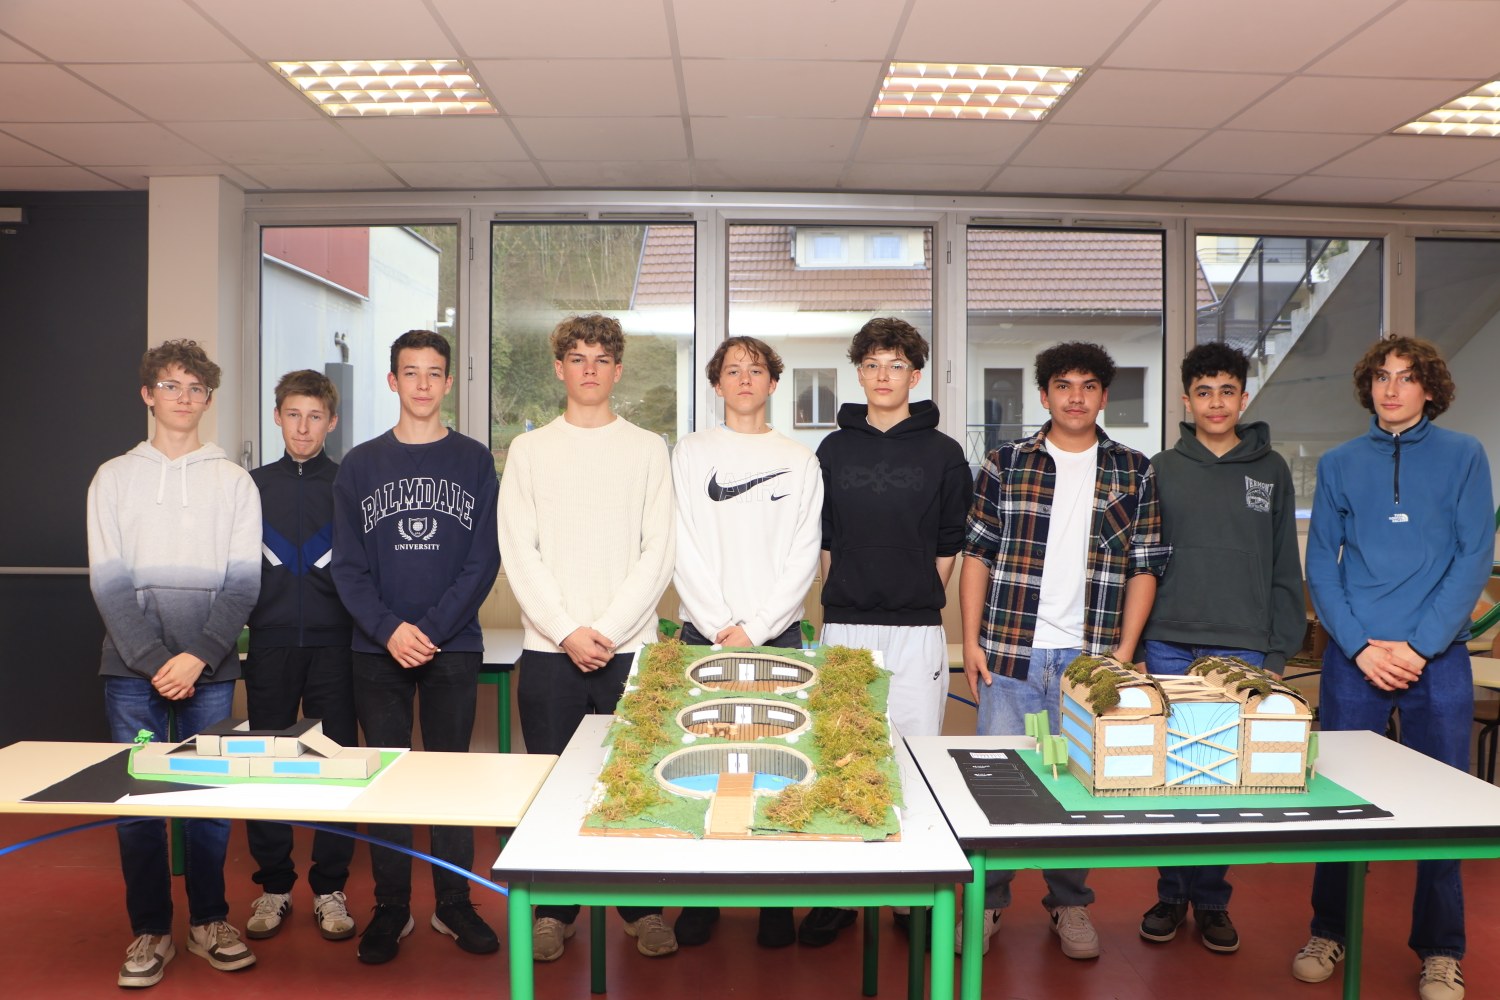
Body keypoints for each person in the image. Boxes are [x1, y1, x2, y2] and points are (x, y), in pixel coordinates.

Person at [1292, 336, 1491, 1000]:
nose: (1392, 388)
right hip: (1357, 659)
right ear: (1368, 387)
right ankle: (1329, 929)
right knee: (1338, 804)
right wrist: (1360, 647)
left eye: (1407, 377)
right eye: (1382, 376)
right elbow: (1323, 564)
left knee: (1443, 808)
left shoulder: (1464, 455)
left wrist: (1420, 646)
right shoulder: (1340, 463)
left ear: (1429, 388)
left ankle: (1441, 950)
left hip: (1438, 659)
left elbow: (1473, 556)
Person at [959, 340, 1169, 961]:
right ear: (1044, 394)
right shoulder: (1005, 463)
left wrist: (1123, 652)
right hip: (1010, 651)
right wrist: (970, 641)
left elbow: (1145, 564)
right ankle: (988, 902)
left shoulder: (1134, 469)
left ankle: (1070, 904)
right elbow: (977, 553)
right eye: (1063, 385)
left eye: (1088, 386)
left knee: (1079, 787)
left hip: (1090, 659)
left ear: (1104, 397)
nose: (1075, 397)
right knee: (999, 785)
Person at [498, 314, 678, 962]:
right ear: (559, 369)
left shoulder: (648, 449)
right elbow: (519, 551)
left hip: (630, 652)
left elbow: (659, 552)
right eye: (577, 358)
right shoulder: (529, 451)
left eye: (602, 359)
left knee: (636, 782)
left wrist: (605, 630)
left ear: (618, 370)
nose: (590, 369)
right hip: (551, 652)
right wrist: (568, 630)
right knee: (553, 785)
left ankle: (642, 908)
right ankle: (554, 911)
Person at [87, 340, 262, 988]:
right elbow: (107, 583)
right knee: (138, 802)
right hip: (130, 675)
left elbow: (244, 585)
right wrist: (158, 661)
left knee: (208, 802)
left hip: (209, 673)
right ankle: (152, 930)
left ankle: (210, 922)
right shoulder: (112, 478)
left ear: (208, 400)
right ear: (147, 394)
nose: (183, 397)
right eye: (170, 385)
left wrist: (198, 657)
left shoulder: (233, 481)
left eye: (195, 388)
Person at [798, 317, 972, 948]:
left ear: (915, 376)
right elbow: (823, 537)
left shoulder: (944, 453)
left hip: (916, 627)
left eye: (896, 365)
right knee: (841, 755)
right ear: (859, 373)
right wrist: (844, 587)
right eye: (871, 364)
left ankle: (909, 895)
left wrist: (917, 591)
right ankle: (842, 894)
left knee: (914, 757)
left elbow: (950, 540)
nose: (883, 376)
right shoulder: (831, 450)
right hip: (846, 623)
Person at [331, 330, 501, 965]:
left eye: (434, 373)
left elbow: (483, 560)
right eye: (411, 372)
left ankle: (453, 903)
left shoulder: (474, 461)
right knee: (387, 780)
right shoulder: (360, 465)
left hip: (452, 647)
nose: (423, 384)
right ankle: (392, 906)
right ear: (392, 381)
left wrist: (429, 629)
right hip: (377, 650)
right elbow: (347, 567)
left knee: (450, 776)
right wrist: (389, 630)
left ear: (448, 383)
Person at [1137, 342, 1304, 954]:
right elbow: (1141, 562)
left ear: (1243, 398)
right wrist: (1136, 642)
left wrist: (1279, 650)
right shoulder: (1161, 467)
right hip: (1168, 641)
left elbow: (1284, 562)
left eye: (1227, 391)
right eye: (1203, 392)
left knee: (1223, 778)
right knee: (1172, 776)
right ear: (1186, 400)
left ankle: (1211, 900)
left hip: (1243, 647)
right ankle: (1170, 893)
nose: (1215, 402)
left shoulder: (1272, 469)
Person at [670, 335, 823, 949]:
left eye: (755, 370)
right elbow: (680, 541)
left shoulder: (800, 459)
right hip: (702, 633)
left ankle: (774, 903)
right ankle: (701, 899)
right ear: (716, 384)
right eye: (731, 370)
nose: (743, 379)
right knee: (702, 766)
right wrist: (718, 623)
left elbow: (804, 554)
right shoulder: (690, 452)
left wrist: (755, 629)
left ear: (773, 383)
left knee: (775, 770)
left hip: (777, 635)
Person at [242, 370, 359, 944]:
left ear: (331, 422)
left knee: (335, 764)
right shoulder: (250, 486)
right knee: (264, 763)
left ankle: (330, 887)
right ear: (277, 417)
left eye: (315, 416)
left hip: (336, 645)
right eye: (293, 414)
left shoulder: (348, 484)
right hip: (269, 643)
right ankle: (274, 886)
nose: (303, 427)